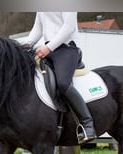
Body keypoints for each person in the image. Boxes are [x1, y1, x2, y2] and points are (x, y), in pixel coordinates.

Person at [25, 12, 97, 144]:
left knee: (63, 83)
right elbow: (37, 29)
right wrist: (26, 45)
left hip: (67, 49)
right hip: (48, 49)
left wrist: (48, 47)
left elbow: (68, 27)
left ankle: (87, 124)